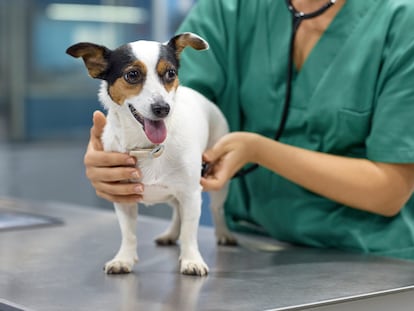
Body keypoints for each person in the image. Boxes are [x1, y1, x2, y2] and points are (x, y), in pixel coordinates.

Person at [84, 0, 414, 260]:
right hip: (247, 246)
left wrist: (258, 150)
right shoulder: (229, 8)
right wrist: (113, 149)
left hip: (366, 258)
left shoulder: (401, 24)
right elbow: (178, 103)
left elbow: (389, 191)